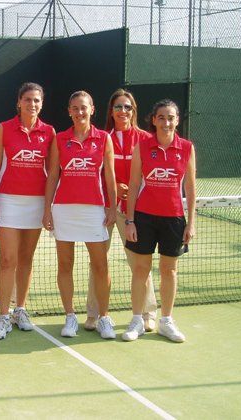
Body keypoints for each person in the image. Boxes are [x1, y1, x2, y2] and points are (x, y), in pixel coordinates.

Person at [43, 91, 117, 340]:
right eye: (74, 108)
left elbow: (109, 177)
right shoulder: (60, 139)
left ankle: (104, 317)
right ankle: (70, 317)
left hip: (94, 210)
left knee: (100, 265)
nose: (79, 112)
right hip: (64, 209)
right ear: (69, 111)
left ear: (92, 109)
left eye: (83, 107)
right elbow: (53, 174)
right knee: (65, 264)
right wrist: (47, 209)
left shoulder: (104, 138)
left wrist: (111, 207)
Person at [122, 99, 196, 343]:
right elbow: (133, 185)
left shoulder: (186, 148)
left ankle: (166, 321)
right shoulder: (142, 147)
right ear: (153, 120)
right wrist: (130, 220)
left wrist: (191, 223)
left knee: (169, 270)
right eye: (161, 117)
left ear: (177, 120)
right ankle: (137, 320)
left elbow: (191, 189)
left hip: (174, 219)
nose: (166, 122)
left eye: (171, 117)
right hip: (144, 218)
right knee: (141, 270)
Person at [83, 90, 158, 332]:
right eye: (118, 107)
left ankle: (147, 313)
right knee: (98, 263)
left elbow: (153, 174)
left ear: (133, 111)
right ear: (111, 111)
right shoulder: (102, 138)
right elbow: (93, 171)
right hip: (103, 208)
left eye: (127, 107)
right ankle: (94, 314)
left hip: (133, 213)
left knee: (140, 263)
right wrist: (115, 188)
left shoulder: (146, 139)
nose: (122, 111)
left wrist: (133, 191)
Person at [0, 83, 55, 339]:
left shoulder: (48, 132)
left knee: (26, 259)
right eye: (27, 100)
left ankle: (20, 310)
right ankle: (3, 316)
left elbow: (51, 175)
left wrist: (47, 208)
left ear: (41, 103)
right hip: (8, 201)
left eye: (36, 100)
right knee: (8, 259)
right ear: (19, 102)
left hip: (36, 203)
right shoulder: (4, 129)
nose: (32, 104)